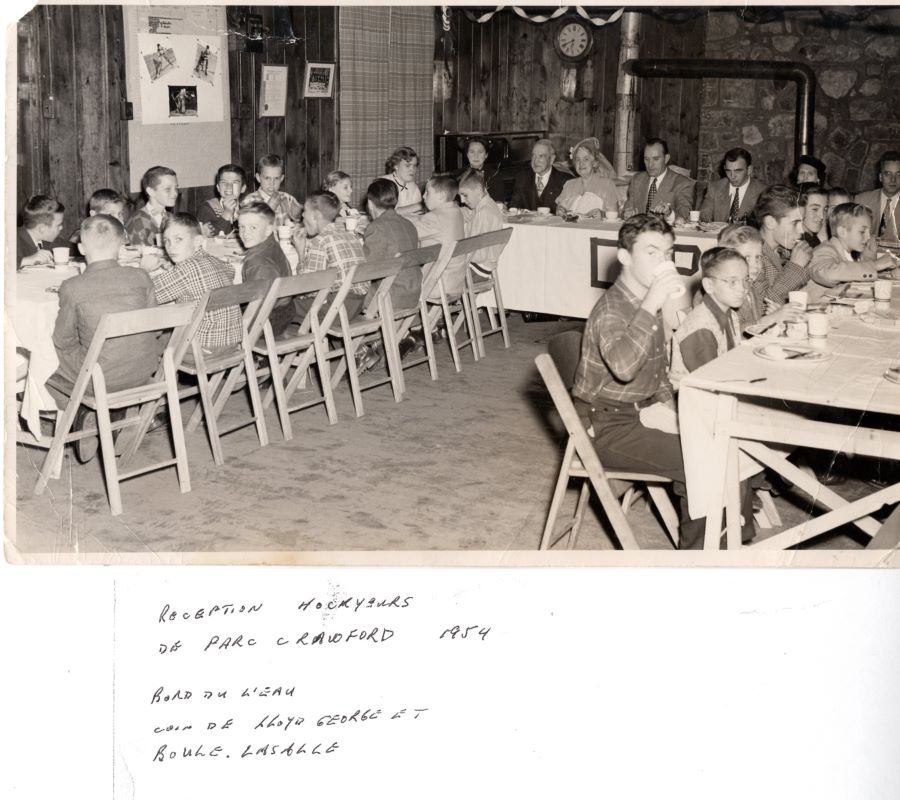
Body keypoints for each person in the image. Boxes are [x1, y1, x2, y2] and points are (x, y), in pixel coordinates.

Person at [571, 213, 706, 549]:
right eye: (651, 252)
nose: (663, 261)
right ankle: (697, 564)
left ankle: (726, 533)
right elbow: (624, 368)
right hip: (606, 425)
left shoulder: (647, 301)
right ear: (624, 257)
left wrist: (670, 407)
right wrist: (652, 305)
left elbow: (657, 368)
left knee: (715, 434)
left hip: (641, 410)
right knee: (702, 463)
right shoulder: (614, 308)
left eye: (668, 253)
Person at [47, 215, 159, 462]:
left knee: (45, 364)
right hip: (144, 371)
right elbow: (156, 326)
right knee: (107, 355)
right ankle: (119, 415)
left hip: (100, 377)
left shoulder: (72, 286)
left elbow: (63, 340)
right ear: (122, 247)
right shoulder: (141, 277)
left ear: (81, 249)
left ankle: (83, 412)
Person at [669, 246, 756, 543]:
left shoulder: (727, 312)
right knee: (743, 445)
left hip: (714, 403)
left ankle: (733, 529)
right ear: (708, 285)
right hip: (693, 413)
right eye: (731, 282)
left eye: (745, 280)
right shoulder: (701, 327)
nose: (742, 289)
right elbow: (708, 388)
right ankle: (708, 540)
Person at [148, 212, 241, 353]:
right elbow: (230, 271)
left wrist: (144, 270)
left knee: (148, 345)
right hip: (232, 343)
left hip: (202, 348)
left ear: (197, 241)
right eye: (166, 241)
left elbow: (146, 295)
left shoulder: (186, 268)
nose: (171, 247)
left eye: (178, 239)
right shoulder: (216, 261)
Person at [293, 191, 367, 322]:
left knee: (284, 307)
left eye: (305, 211)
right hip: (355, 307)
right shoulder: (351, 236)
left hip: (335, 310)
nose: (302, 215)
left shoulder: (320, 241)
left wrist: (300, 252)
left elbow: (306, 288)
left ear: (316, 216)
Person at [717, 224, 803, 330]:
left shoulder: (751, 288)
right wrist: (770, 319)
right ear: (727, 259)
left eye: (758, 257)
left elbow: (754, 323)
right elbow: (731, 333)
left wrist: (774, 316)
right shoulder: (721, 293)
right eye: (747, 258)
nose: (755, 265)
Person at [805, 203, 895, 302]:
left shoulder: (850, 254)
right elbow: (829, 273)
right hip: (816, 311)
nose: (868, 237)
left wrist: (890, 272)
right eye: (862, 231)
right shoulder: (824, 250)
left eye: (869, 232)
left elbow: (854, 272)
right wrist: (874, 265)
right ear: (842, 232)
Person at [237, 202, 293, 338]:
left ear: (268, 230)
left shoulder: (258, 263)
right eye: (241, 227)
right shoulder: (271, 245)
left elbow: (258, 305)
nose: (245, 233)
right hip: (285, 313)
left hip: (265, 323)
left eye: (253, 228)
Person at [363, 178, 420, 307]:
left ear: (370, 204)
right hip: (413, 293)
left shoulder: (376, 227)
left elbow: (366, 269)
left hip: (389, 295)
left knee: (343, 294)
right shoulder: (409, 224)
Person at [752, 184, 813, 305]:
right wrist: (795, 267)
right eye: (795, 222)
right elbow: (762, 307)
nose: (802, 230)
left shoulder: (784, 251)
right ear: (770, 222)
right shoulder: (753, 257)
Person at [410, 174, 467, 297]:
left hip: (435, 283)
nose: (424, 196)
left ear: (441, 196)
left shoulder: (434, 218)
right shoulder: (456, 211)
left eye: (428, 193)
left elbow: (406, 233)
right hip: (455, 281)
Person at [625, 138, 693, 222]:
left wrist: (669, 214)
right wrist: (626, 214)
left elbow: (685, 215)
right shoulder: (636, 180)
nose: (650, 165)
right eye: (646, 159)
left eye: (656, 159)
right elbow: (625, 210)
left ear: (666, 158)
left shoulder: (682, 182)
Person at [555, 137, 620, 218]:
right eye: (578, 160)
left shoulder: (607, 185)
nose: (581, 164)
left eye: (586, 159)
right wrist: (560, 210)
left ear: (594, 163)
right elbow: (560, 209)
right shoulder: (569, 184)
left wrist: (602, 214)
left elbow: (615, 215)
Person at [698, 147, 766, 224]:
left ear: (749, 170)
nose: (732, 176)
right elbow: (703, 218)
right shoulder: (715, 188)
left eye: (738, 171)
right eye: (728, 171)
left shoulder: (762, 192)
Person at [458, 172, 504, 277]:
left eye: (465, 195)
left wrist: (458, 252)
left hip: (477, 268)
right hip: (482, 266)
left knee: (435, 275)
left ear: (478, 189)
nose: (462, 200)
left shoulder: (484, 213)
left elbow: (480, 254)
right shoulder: (487, 205)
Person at [509, 138, 568, 213]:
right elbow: (514, 206)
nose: (535, 161)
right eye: (533, 156)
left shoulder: (565, 181)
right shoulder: (522, 177)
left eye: (541, 156)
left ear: (552, 159)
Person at [242, 154, 302, 226]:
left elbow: (303, 220)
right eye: (267, 178)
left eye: (276, 178)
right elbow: (249, 227)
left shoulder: (288, 199)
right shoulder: (249, 200)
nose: (272, 183)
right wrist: (269, 208)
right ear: (258, 178)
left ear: (281, 178)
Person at [126, 165, 178, 247]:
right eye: (168, 189)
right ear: (150, 191)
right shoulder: (138, 222)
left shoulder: (170, 217)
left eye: (176, 188)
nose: (175, 193)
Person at [855, 150, 900, 243]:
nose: (893, 180)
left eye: (898, 174)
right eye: (887, 174)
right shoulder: (861, 201)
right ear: (880, 177)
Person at [17, 195, 70, 269]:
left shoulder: (47, 239)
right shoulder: (9, 240)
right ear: (42, 229)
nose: (61, 227)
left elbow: (73, 248)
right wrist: (24, 261)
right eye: (58, 225)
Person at [198, 164, 247, 236]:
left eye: (234, 182)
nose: (229, 187)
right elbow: (212, 237)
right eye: (224, 182)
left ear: (243, 188)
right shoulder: (207, 208)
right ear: (218, 188)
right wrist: (226, 213)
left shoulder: (247, 208)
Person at [455, 136, 505, 203]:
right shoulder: (459, 175)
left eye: (480, 152)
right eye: (472, 152)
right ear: (467, 155)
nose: (476, 156)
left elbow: (499, 201)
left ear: (486, 155)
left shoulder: (494, 175)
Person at [382, 146, 423, 214]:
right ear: (396, 166)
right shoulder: (384, 183)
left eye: (414, 166)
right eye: (407, 165)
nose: (412, 170)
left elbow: (418, 213)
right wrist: (421, 205)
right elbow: (387, 213)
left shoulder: (413, 186)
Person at [797, 183, 828, 249]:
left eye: (825, 209)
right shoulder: (798, 244)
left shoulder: (813, 239)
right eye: (815, 209)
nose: (822, 216)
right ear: (800, 209)